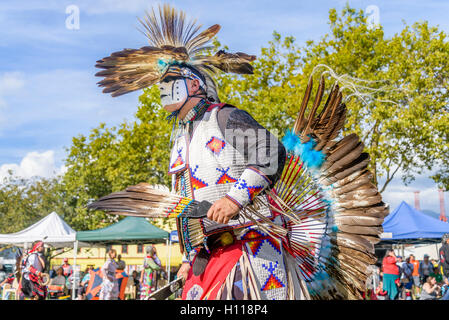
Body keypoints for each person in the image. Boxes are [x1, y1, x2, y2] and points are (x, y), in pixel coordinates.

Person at [93, 3, 386, 300]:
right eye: (160, 84)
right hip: (209, 256)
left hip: (253, 251)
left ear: (194, 84)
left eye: (170, 81)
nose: (163, 89)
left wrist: (235, 199)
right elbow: (187, 205)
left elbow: (271, 153)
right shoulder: (182, 140)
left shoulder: (225, 118)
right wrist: (188, 258)